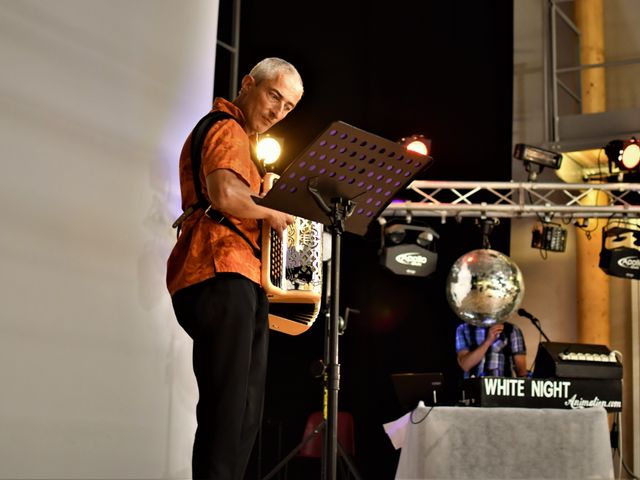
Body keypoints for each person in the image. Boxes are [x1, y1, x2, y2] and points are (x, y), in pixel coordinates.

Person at [166, 57, 304, 479]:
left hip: (241, 276)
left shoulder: (245, 141)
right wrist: (272, 214)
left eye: (288, 107)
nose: (277, 111)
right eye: (273, 96)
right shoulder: (226, 126)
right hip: (219, 270)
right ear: (248, 84)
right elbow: (224, 194)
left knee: (242, 412)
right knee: (228, 413)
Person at [455, 321, 528, 378]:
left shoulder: (512, 329)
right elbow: (465, 365)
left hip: (503, 391)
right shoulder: (463, 328)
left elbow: (521, 372)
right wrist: (488, 341)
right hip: (473, 390)